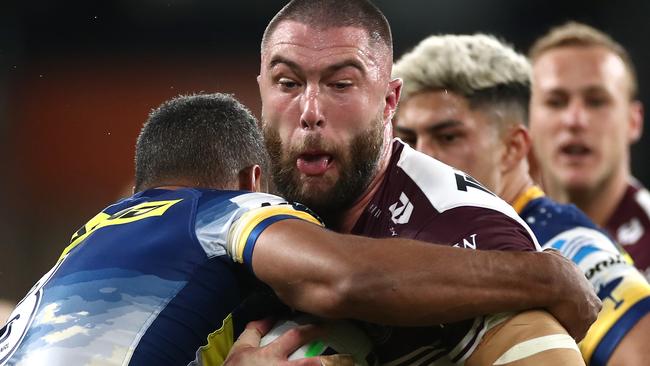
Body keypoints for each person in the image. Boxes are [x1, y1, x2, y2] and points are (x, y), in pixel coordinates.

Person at [0, 93, 595, 365]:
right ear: (254, 180)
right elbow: (345, 276)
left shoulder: (77, 250)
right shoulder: (219, 210)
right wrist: (543, 275)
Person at [254, 0, 598, 364]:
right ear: (261, 88)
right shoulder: (239, 193)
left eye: (340, 85)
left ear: (389, 101)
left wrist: (543, 278)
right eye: (288, 83)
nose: (310, 112)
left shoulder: (461, 226)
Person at [393, 33, 650, 366]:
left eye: (448, 136)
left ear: (513, 148)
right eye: (408, 138)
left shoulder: (565, 244)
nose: (420, 157)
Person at [528, 22, 649, 279]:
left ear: (633, 121)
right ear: (527, 122)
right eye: (555, 102)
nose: (574, 120)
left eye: (596, 101)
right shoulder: (495, 241)